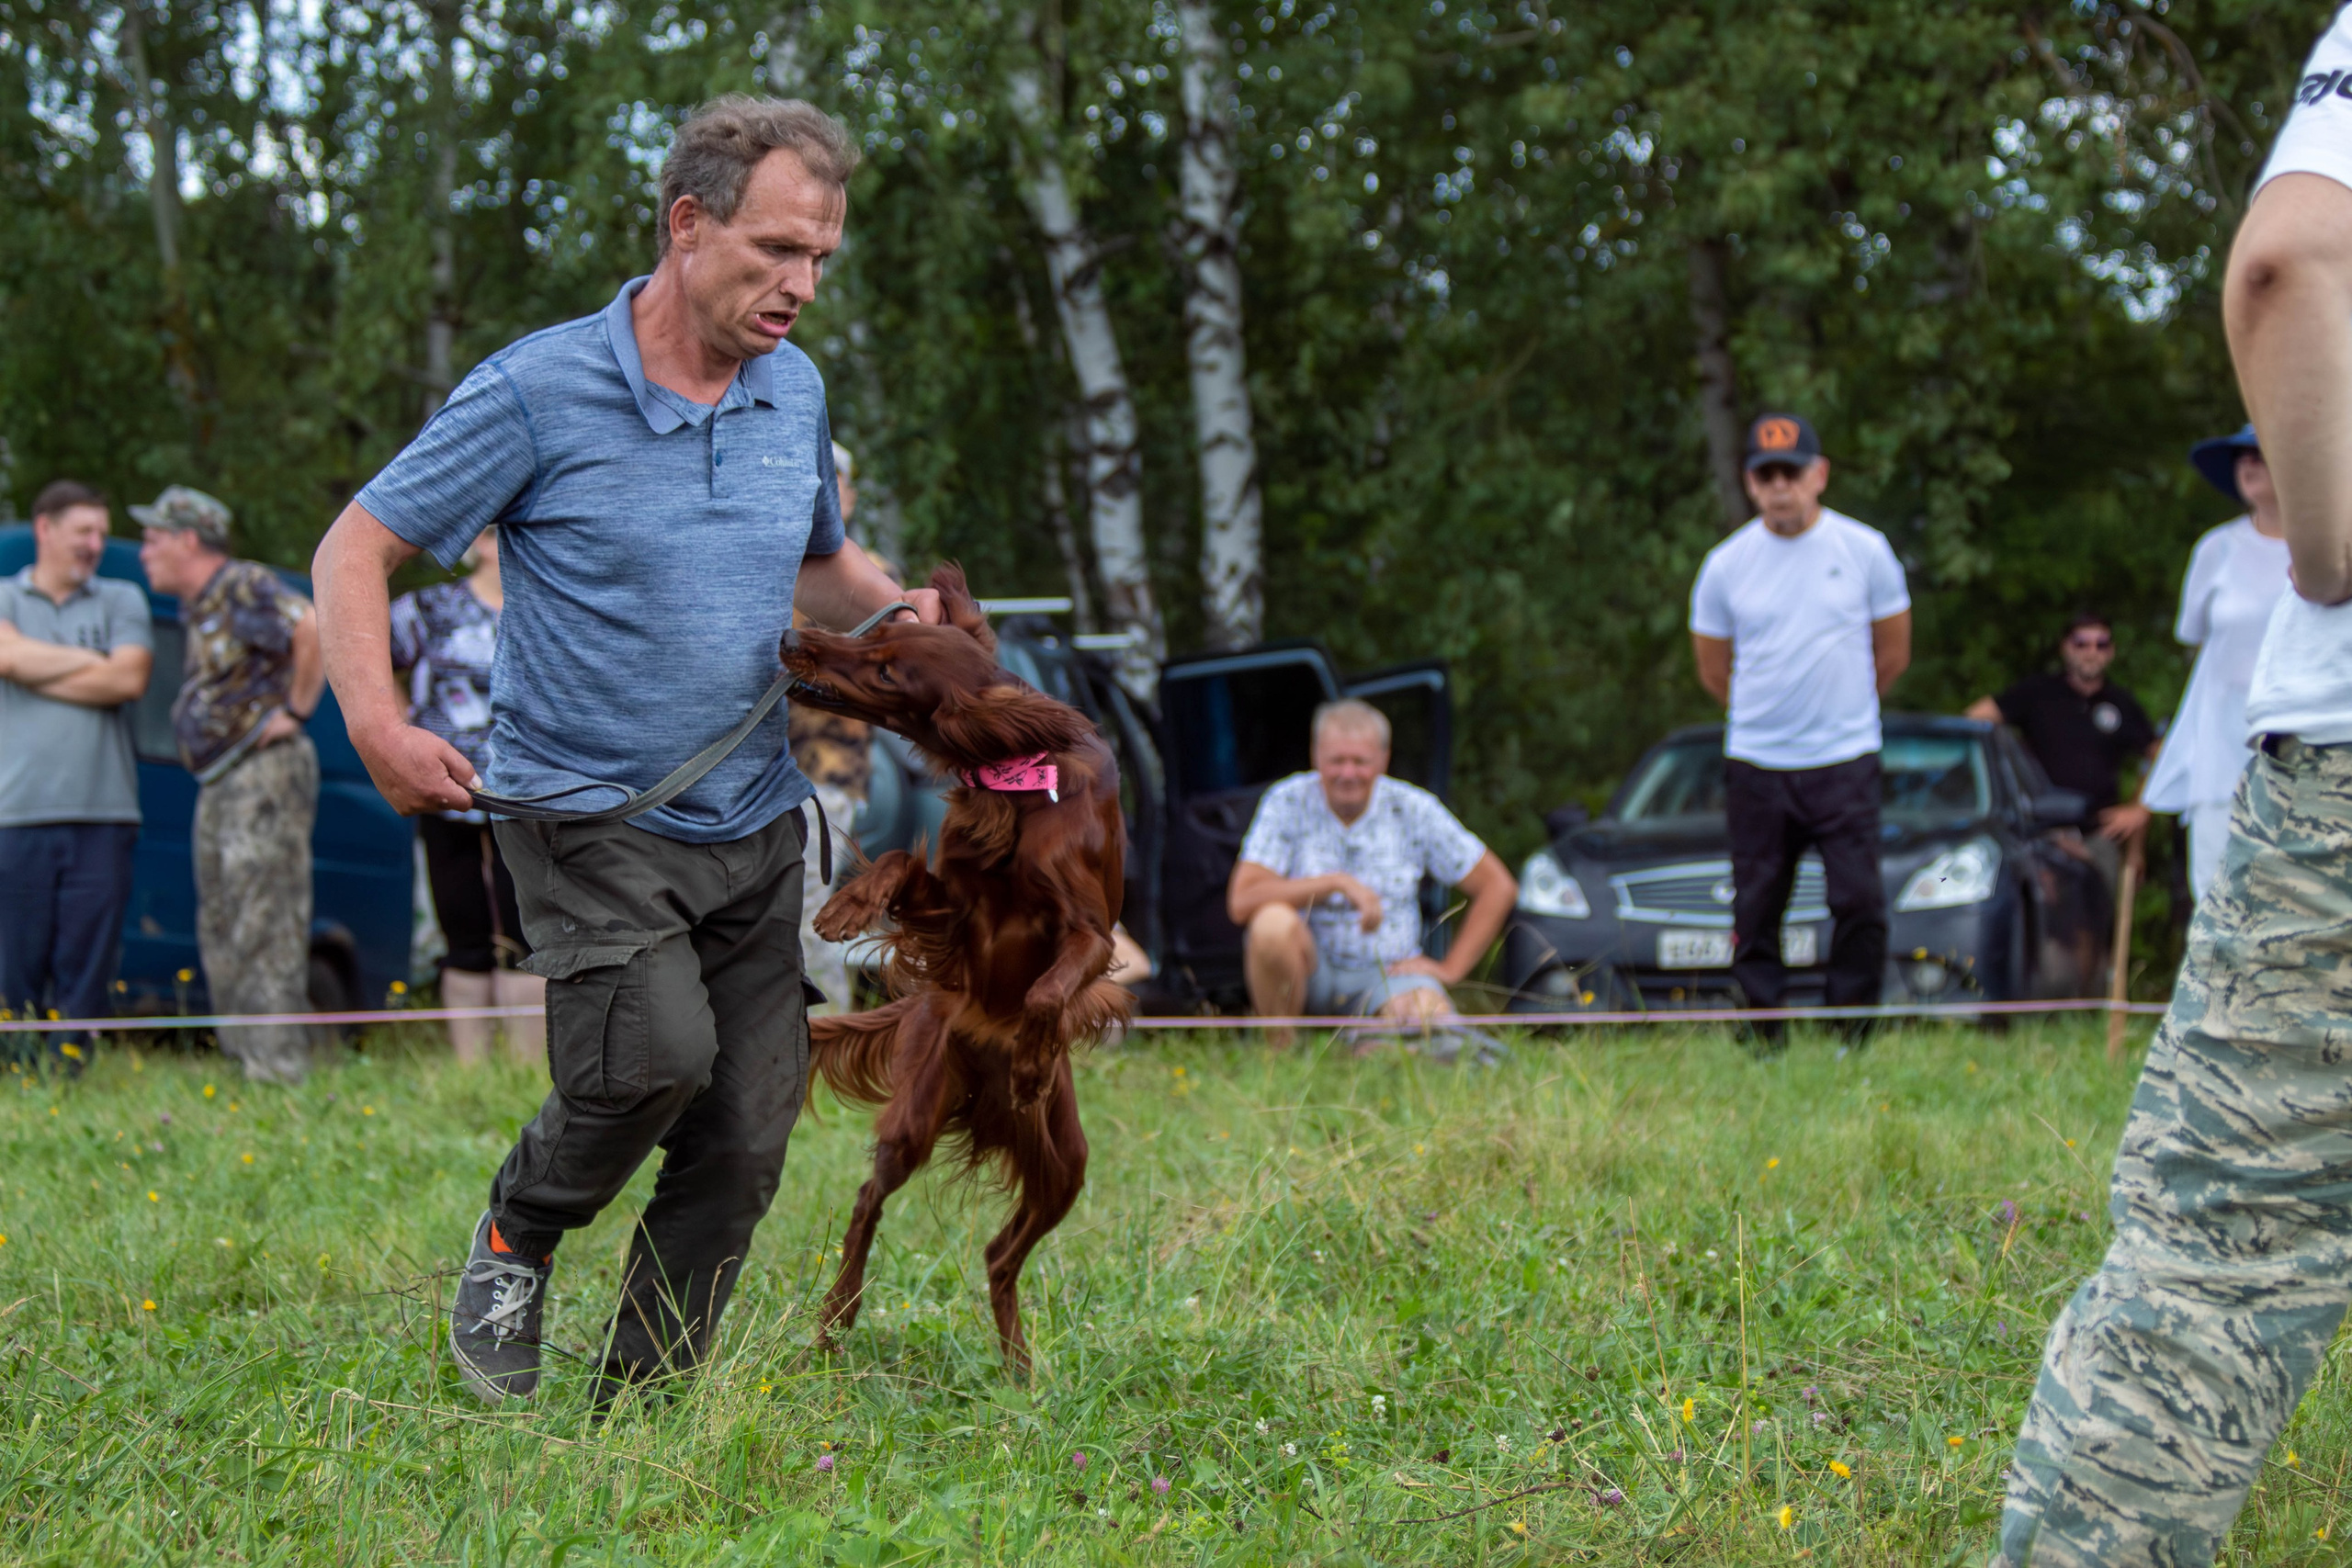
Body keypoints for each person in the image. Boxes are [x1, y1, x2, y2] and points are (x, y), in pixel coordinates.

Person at [311, 96, 944, 1411]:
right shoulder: (538, 390)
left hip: (753, 813)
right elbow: (356, 544)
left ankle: (636, 1408)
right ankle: (516, 1232)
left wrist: (900, 625)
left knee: (752, 1124)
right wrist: (375, 722)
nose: (801, 284)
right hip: (587, 812)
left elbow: (818, 562)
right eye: (775, 248)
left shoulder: (794, 387)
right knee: (650, 1057)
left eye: (821, 256)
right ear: (687, 223)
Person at [1994, 14, 2352, 1562]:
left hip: (2332, 770)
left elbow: (2288, 261)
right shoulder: (2214, 562)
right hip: (2251, 780)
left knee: (2220, 1255)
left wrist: (2335, 555)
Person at [1689, 412, 1910, 1043]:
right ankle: (1763, 1035)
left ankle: (1851, 1032)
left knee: (1859, 901)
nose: (1780, 485)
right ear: (1751, 483)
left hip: (1846, 758)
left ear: (1819, 475)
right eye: (1767, 474)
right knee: (1756, 905)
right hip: (1758, 763)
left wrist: (1841, 711)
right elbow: (1713, 668)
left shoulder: (1864, 550)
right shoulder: (1726, 565)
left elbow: (1891, 653)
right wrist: (1770, 717)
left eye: (1792, 472)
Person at [136, 486, 324, 1086]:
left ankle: (278, 1073)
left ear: (187, 539)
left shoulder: (243, 583)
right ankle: (246, 1064)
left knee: (262, 919)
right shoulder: (204, 603)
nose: (144, 552)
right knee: (221, 918)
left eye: (153, 537)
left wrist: (296, 710)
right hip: (222, 776)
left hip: (262, 775)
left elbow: (314, 625)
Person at [1227, 699, 1516, 1051]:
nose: (1347, 774)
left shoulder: (1413, 808)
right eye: (1336, 761)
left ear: (1383, 759)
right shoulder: (1286, 801)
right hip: (1310, 969)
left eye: (1360, 762)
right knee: (1271, 923)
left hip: (1389, 974)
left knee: (1434, 1028)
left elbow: (1497, 886)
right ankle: (1280, 1053)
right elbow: (1241, 901)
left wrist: (1451, 968)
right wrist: (1336, 883)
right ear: (1316, 755)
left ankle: (1373, 1045)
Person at [0, 481, 153, 1068]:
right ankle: (15, 1069)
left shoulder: (122, 599)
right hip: (18, 812)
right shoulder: (6, 598)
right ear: (45, 528)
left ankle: (69, 1070)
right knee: (15, 958)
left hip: (103, 812)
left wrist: (28, 661)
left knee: (86, 958)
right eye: (82, 531)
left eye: (99, 531)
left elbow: (128, 680)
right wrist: (93, 664)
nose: (95, 544)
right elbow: (5, 657)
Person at [389, 527, 546, 1065]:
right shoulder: (429, 607)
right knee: (462, 924)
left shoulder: (551, 603)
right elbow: (376, 657)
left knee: (526, 930)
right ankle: (470, 1071)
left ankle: (526, 1073)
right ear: (479, 542)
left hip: (530, 793)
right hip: (447, 787)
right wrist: (395, 727)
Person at [2138, 424, 2292, 899]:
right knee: (2218, 897)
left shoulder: (2324, 548)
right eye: (2240, 456)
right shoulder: (2216, 548)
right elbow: (2193, 637)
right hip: (2221, 748)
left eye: (2259, 454)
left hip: (2304, 747)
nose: (2246, 463)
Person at [1963, 613, 2161, 891]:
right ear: (2065, 647)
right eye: (2082, 643)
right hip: (2040, 836)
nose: (2091, 652)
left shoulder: (2122, 704)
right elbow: (1972, 721)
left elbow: (2162, 757)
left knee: (2097, 927)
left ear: (2111, 651)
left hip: (2098, 836)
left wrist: (2140, 809)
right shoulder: (2037, 693)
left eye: (2101, 644)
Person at [788, 446, 879, 1019]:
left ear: (844, 494)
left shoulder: (867, 574)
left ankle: (828, 1037)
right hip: (751, 777)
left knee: (806, 913)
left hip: (822, 778)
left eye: (830, 482)